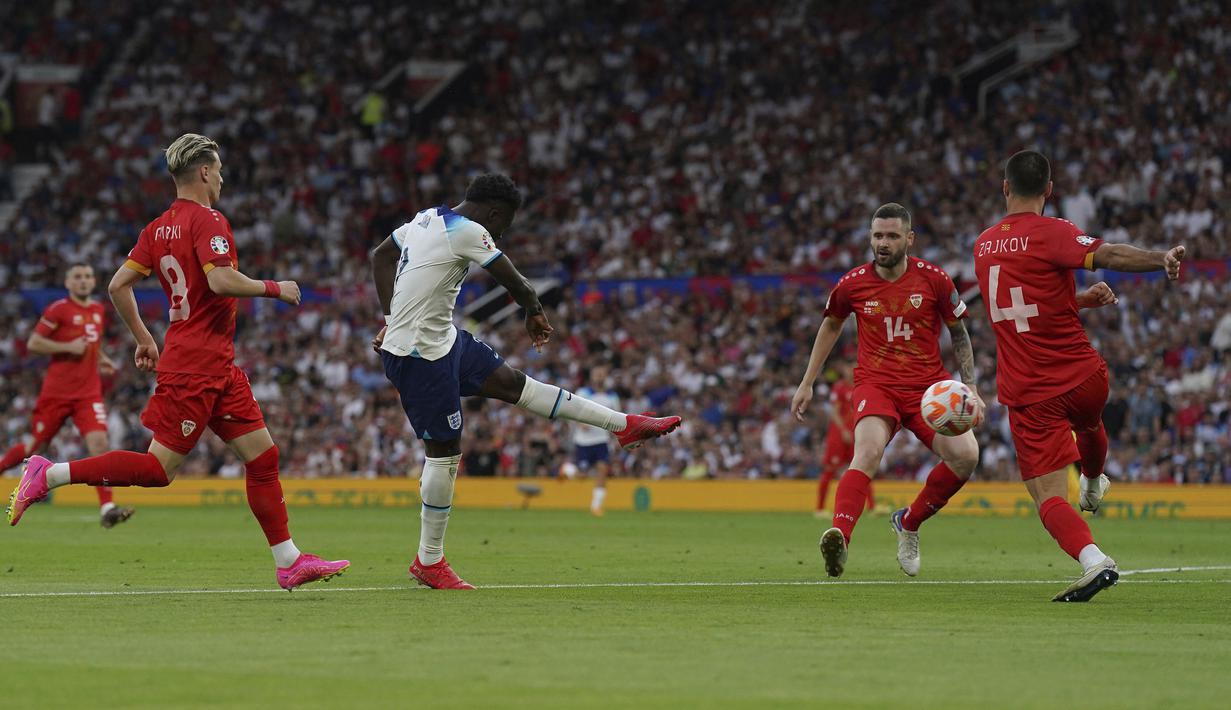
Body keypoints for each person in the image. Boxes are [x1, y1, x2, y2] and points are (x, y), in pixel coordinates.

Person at [6, 133, 348, 591]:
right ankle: (48, 474)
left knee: (263, 456)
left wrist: (146, 339)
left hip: (214, 363)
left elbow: (117, 285)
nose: (223, 177)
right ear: (205, 171)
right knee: (157, 470)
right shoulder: (208, 220)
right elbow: (222, 280)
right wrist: (274, 287)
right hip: (195, 366)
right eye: (220, 169)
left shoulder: (157, 226)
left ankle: (289, 560)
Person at [370, 173, 682, 589]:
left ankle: (624, 425)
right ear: (496, 213)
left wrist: (390, 319)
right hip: (417, 355)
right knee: (444, 452)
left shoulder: (425, 219)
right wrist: (534, 310)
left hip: (444, 340)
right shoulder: (469, 231)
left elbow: (380, 256)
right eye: (505, 224)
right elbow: (515, 280)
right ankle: (429, 561)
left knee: (515, 384)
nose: (501, 233)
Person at [973, 149, 1185, 602]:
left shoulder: (983, 245)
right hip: (1087, 376)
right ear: (1049, 191)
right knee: (1090, 424)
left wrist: (1079, 300)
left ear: (1005, 188)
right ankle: (1092, 479)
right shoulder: (1055, 233)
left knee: (1046, 497)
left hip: (1033, 391)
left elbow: (1015, 310)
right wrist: (1158, 259)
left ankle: (1094, 561)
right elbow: (1107, 253)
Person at [791, 203, 985, 578]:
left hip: (928, 390)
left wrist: (971, 386)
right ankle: (840, 538)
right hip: (876, 385)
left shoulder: (935, 280)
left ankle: (909, 523)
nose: (883, 242)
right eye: (878, 235)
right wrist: (807, 381)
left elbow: (958, 330)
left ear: (908, 239)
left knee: (966, 457)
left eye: (892, 236)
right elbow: (830, 325)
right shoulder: (852, 284)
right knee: (866, 452)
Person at [0, 264, 134, 528]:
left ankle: (107, 507)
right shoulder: (58, 309)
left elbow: (92, 345)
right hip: (56, 394)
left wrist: (102, 358)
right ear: (68, 282)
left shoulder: (97, 310)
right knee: (34, 448)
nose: (83, 281)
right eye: (78, 277)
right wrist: (67, 347)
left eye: (87, 276)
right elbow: (34, 343)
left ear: (94, 280)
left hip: (88, 393)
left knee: (99, 443)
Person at [814, 362, 874, 518]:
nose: (851, 371)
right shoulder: (839, 387)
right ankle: (819, 508)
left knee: (863, 467)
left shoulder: (861, 387)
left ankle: (872, 507)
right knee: (830, 469)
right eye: (848, 368)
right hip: (838, 436)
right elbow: (834, 413)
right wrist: (843, 431)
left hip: (855, 434)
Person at [571, 364, 620, 516]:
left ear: (606, 377)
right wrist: (580, 423)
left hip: (601, 440)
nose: (599, 377)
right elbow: (572, 410)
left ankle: (596, 506)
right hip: (583, 441)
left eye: (602, 374)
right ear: (591, 377)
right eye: (596, 374)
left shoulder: (612, 397)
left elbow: (617, 418)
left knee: (602, 471)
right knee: (582, 475)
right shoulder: (583, 393)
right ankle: (566, 470)